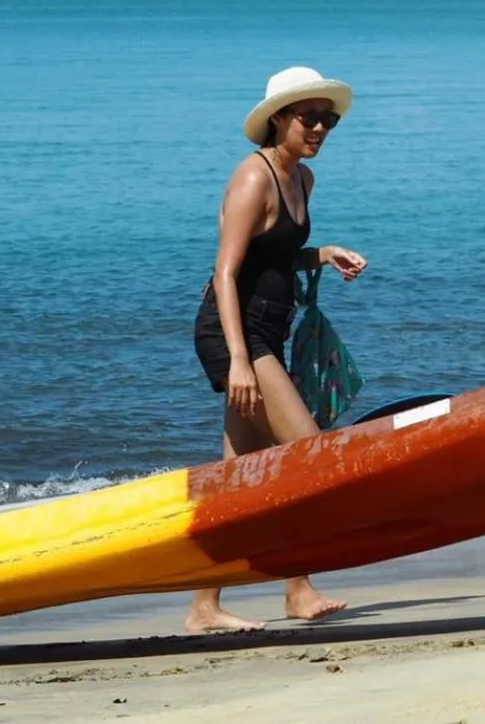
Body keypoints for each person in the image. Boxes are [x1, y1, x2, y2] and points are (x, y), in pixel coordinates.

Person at [186, 65, 370, 634]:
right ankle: (299, 587)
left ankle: (204, 606)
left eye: (328, 119)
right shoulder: (253, 177)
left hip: (269, 331)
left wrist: (323, 253)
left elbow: (276, 255)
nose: (319, 127)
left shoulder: (303, 179)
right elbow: (225, 272)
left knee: (236, 477)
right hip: (234, 331)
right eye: (308, 117)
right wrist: (240, 361)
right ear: (278, 121)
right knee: (309, 456)